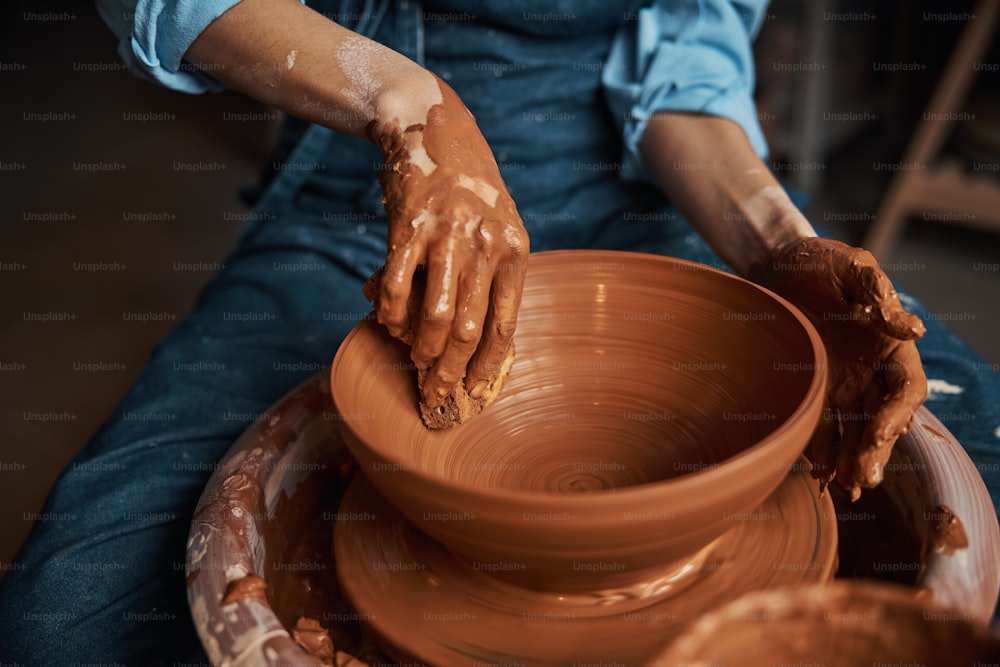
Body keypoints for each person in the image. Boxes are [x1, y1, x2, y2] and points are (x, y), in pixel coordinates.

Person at [1, 0, 996, 664]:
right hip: (373, 204)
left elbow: (686, 74)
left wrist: (775, 241)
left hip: (655, 208)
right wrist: (406, 104)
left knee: (973, 449)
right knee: (67, 616)